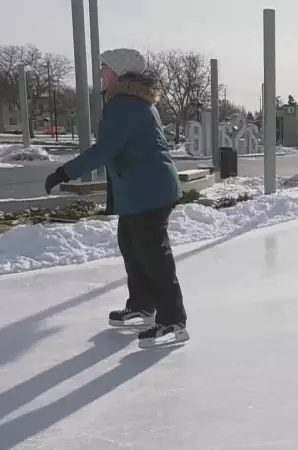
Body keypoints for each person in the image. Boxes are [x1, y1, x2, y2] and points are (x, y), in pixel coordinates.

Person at [44, 48, 188, 348]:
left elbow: (104, 150)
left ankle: (173, 319)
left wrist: (64, 172)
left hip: (149, 191)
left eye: (105, 66)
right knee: (132, 247)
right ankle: (142, 305)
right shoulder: (132, 101)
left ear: (120, 72)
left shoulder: (126, 105)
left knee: (153, 255)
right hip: (141, 191)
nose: (100, 72)